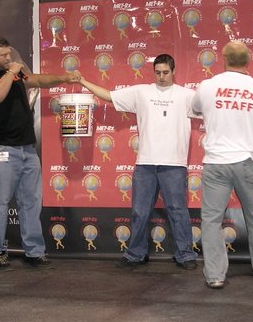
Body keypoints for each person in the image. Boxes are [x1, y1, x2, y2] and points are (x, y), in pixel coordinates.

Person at [0, 36, 81, 269]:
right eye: (3, 55)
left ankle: (34, 251)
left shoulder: (16, 74)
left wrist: (63, 77)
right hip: (2, 151)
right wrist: (11, 73)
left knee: (31, 202)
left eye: (9, 54)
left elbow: (38, 80)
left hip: (28, 150)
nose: (9, 58)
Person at [79, 53, 198, 270]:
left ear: (174, 71)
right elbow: (108, 96)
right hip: (146, 163)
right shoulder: (141, 92)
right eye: (158, 72)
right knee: (140, 212)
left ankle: (185, 254)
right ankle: (135, 254)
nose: (161, 76)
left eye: (166, 72)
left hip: (174, 163)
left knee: (178, 210)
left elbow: (214, 110)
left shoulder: (188, 95)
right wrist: (82, 81)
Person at [191, 41, 253, 289]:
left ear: (223, 58)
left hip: (216, 163)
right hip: (248, 161)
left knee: (211, 220)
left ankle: (215, 275)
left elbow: (195, 109)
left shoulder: (207, 86)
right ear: (249, 60)